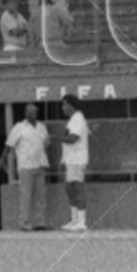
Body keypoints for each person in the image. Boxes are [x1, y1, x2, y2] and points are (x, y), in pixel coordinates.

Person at [3, 102, 51, 232]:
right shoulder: (19, 127)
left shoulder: (41, 127)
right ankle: (25, 223)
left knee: (41, 196)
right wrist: (2, 159)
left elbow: (46, 143)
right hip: (26, 165)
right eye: (30, 112)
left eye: (35, 111)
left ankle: (40, 223)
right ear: (25, 113)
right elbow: (9, 144)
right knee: (26, 195)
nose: (33, 114)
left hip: (40, 164)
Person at [59, 94, 90, 232]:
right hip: (70, 159)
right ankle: (74, 219)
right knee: (70, 189)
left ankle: (82, 222)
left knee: (78, 188)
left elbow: (73, 138)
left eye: (64, 104)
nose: (62, 108)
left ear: (71, 105)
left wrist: (54, 138)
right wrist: (63, 159)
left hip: (77, 159)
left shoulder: (78, 118)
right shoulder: (73, 119)